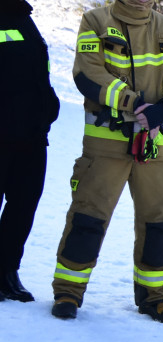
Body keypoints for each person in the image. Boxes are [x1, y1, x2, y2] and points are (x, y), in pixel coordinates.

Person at [50, 0, 163, 322]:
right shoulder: (95, 21)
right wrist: (134, 103)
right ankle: (68, 292)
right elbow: (88, 72)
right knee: (89, 216)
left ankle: (154, 297)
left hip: (157, 148)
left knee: (158, 224)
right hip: (106, 146)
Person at [0, 0, 59, 303]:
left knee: (24, 204)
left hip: (31, 133)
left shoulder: (24, 17)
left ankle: (7, 270)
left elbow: (36, 73)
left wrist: (49, 105)